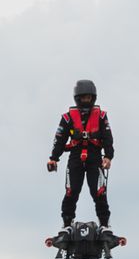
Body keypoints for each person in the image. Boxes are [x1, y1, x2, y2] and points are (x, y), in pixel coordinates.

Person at [47, 79, 115, 230]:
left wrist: (108, 156)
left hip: (95, 157)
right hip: (75, 156)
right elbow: (59, 138)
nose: (86, 101)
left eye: (89, 98)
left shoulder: (101, 116)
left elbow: (108, 138)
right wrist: (53, 158)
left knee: (99, 192)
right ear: (78, 98)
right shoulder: (68, 118)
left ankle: (104, 224)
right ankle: (66, 223)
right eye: (84, 98)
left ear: (93, 98)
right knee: (71, 191)